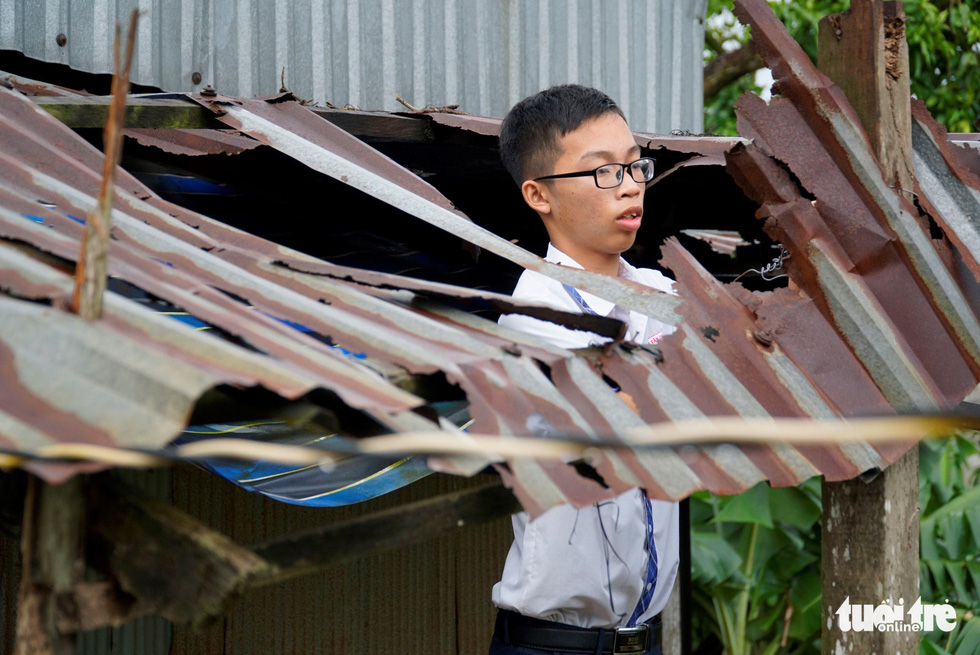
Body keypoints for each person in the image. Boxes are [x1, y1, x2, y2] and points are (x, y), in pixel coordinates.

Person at [490, 84, 679, 655]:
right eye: (602, 172)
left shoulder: (662, 294)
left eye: (633, 166)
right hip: (552, 646)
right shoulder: (531, 321)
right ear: (538, 195)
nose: (629, 185)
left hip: (642, 642)